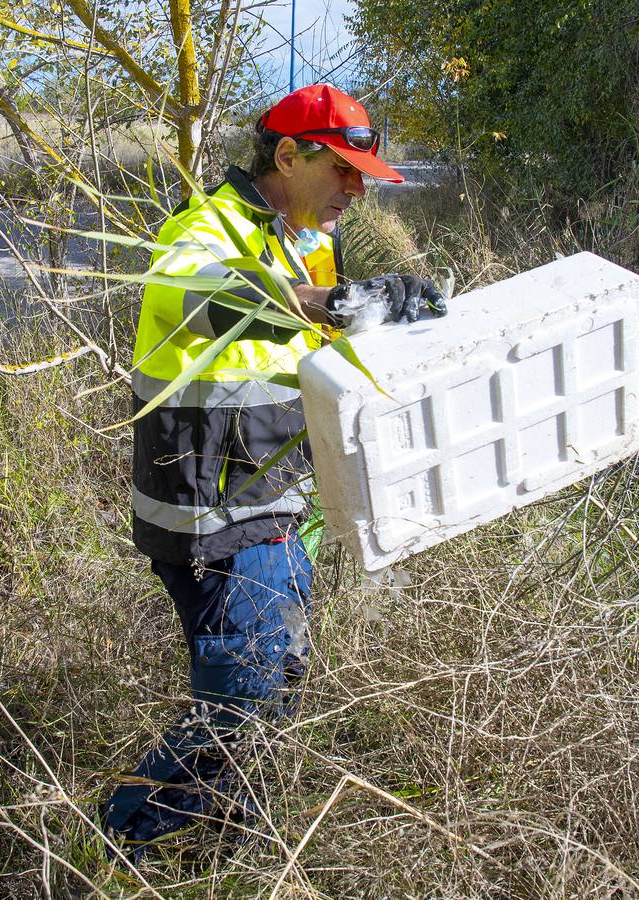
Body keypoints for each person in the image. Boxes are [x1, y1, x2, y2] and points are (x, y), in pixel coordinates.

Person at [98, 83, 448, 860]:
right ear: (287, 155)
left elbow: (315, 363)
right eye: (343, 170)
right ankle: (123, 832)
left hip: (280, 507)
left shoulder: (304, 235)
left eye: (364, 174)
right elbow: (196, 296)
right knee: (243, 694)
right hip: (213, 518)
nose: (356, 190)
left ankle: (224, 842)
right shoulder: (203, 229)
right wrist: (329, 301)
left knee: (268, 683)